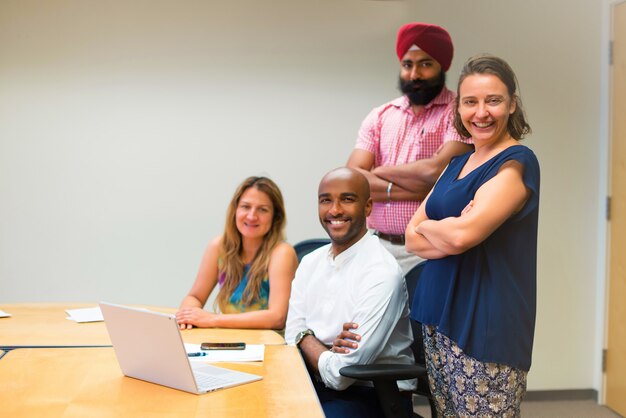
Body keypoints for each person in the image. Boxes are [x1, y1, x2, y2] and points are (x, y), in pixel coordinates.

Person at [404, 54, 540, 417]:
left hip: (484, 324)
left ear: (512, 104)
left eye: (493, 100)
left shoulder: (516, 162)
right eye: (471, 101)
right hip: (436, 316)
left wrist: (433, 225)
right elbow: (410, 238)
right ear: (459, 107)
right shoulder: (455, 165)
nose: (481, 112)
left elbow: (462, 237)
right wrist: (444, 228)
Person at [285, 167, 415, 418]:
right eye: (326, 200)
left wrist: (306, 338)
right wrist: (317, 343)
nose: (334, 210)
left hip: (373, 396)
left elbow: (341, 374)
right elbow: (291, 333)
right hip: (312, 384)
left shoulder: (381, 272)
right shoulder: (309, 263)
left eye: (347, 199)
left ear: (367, 207)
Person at [347, 22, 474, 274]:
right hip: (377, 247)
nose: (414, 73)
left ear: (442, 66)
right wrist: (418, 188)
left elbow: (437, 175)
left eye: (425, 64)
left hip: (431, 252)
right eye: (408, 65)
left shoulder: (459, 112)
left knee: (421, 315)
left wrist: (380, 171)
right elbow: (353, 180)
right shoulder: (381, 116)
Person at [176, 176, 298, 330]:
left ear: (275, 217)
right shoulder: (218, 246)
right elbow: (195, 297)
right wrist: (186, 317)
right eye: (246, 207)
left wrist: (213, 320)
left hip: (268, 346)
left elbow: (276, 318)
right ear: (235, 210)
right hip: (226, 342)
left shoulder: (282, 253)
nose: (252, 216)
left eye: (262, 209)